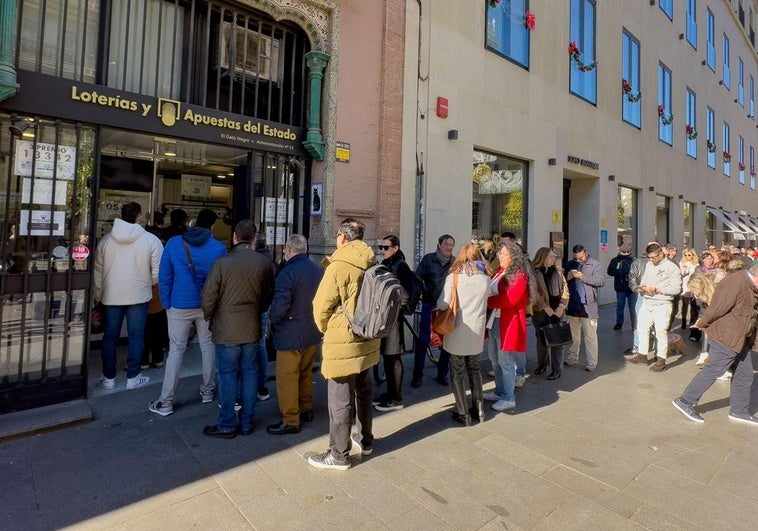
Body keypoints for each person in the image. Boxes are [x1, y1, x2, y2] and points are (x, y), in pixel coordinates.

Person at [309, 218, 380, 470]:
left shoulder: (338, 265)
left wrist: (326, 329)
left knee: (339, 398)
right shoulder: (372, 260)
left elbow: (320, 307)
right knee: (363, 390)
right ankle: (366, 440)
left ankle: (338, 454)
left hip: (343, 340)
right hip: (368, 338)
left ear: (343, 237)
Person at [200, 220, 274, 438]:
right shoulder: (263, 263)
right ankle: (247, 422)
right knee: (250, 374)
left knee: (227, 375)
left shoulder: (222, 262)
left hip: (226, 328)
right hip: (251, 325)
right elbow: (268, 294)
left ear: (234, 237)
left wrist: (210, 316)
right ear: (253, 239)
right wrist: (257, 310)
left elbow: (208, 296)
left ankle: (227, 423)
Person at [149, 209, 227, 416]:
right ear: (212, 226)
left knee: (176, 350)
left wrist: (166, 303)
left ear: (193, 223)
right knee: (208, 347)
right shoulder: (218, 248)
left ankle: (166, 401)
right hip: (207, 306)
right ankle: (208, 391)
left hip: (179, 304)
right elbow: (221, 282)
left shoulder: (175, 243)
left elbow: (164, 276)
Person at [672, 261, 758, 425]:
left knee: (745, 374)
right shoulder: (735, 282)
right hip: (726, 336)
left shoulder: (749, 284)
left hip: (741, 339)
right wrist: (703, 322)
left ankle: (739, 411)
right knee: (714, 369)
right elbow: (717, 307)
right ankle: (685, 400)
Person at [94, 202, 163, 391]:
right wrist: (145, 283)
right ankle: (133, 377)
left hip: (111, 296)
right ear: (139, 217)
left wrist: (98, 295)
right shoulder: (150, 240)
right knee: (136, 336)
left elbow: (98, 273)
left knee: (110, 337)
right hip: (139, 296)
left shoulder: (106, 241)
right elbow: (159, 272)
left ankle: (108, 378)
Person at [266, 234, 323, 435]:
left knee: (287, 377)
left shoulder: (287, 272)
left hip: (290, 333)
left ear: (288, 250)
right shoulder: (317, 269)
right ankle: (306, 408)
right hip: (312, 330)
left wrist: (272, 318)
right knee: (305, 372)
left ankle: (290, 419)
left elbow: (280, 307)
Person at [438, 244, 490, 426]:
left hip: (458, 329)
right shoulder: (485, 278)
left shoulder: (454, 277)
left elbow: (443, 303)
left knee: (457, 370)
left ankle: (463, 413)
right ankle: (480, 409)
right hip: (477, 329)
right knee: (475, 369)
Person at [485, 240, 534, 413]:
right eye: (500, 253)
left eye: (503, 254)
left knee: (505, 361)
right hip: (495, 321)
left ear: (512, 256)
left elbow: (510, 299)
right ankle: (499, 391)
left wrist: (487, 301)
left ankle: (508, 397)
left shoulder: (519, 274)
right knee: (494, 359)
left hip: (508, 322)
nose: (500, 256)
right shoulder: (501, 271)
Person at [373, 235, 416, 412]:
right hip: (384, 318)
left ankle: (397, 398)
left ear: (396, 248)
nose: (382, 250)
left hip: (392, 319)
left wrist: (397, 309)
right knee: (388, 357)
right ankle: (390, 393)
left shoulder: (401, 265)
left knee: (394, 357)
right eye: (381, 247)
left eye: (386, 247)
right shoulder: (388, 264)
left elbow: (408, 292)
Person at [628, 243, 682, 372]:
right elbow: (645, 280)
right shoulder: (649, 264)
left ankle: (661, 359)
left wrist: (657, 289)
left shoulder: (672, 267)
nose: (651, 260)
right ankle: (642, 355)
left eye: (653, 257)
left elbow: (676, 289)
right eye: (649, 257)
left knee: (660, 332)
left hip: (662, 303)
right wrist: (642, 287)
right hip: (647, 301)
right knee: (641, 328)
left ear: (661, 254)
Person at [412, 234, 455, 388]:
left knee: (446, 343)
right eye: (446, 245)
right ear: (439, 245)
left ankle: (442, 373)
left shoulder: (455, 263)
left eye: (451, 245)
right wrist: (421, 293)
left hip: (446, 308)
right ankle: (417, 375)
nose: (449, 248)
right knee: (423, 341)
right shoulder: (428, 259)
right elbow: (417, 278)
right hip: (429, 305)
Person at [563, 244, 605, 371]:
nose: (578, 260)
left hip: (588, 305)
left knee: (590, 336)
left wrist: (583, 277)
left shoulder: (595, 264)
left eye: (580, 258)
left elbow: (601, 281)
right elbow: (563, 282)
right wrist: (568, 277)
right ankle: (572, 357)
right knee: (573, 335)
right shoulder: (569, 264)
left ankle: (591, 362)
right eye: (576, 258)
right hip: (573, 304)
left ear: (585, 253)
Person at [530, 247, 569, 380]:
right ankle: (542, 364)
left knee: (557, 340)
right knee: (541, 340)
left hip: (557, 310)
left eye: (554, 256)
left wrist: (562, 306)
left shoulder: (558, 271)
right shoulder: (535, 272)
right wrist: (545, 307)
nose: (554, 258)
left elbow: (565, 290)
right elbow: (533, 292)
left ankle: (557, 369)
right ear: (544, 257)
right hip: (541, 312)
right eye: (551, 256)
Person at [254, 232, 278, 402]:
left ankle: (249, 387)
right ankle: (262, 386)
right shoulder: (271, 261)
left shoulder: (252, 261)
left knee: (249, 347)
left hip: (250, 308)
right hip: (265, 307)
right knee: (261, 344)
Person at [607, 244, 635, 330]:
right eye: (624, 252)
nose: (626, 253)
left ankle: (634, 324)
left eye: (628, 252)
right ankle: (619, 323)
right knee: (620, 306)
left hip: (631, 287)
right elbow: (610, 271)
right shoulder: (615, 260)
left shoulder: (633, 260)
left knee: (632, 307)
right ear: (620, 251)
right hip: (620, 286)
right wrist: (620, 272)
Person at [679, 248, 700, 336]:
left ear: (693, 255)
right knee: (685, 303)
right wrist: (684, 271)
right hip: (685, 285)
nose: (687, 257)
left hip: (693, 286)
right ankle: (684, 320)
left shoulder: (696, 264)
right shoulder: (681, 263)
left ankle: (692, 320)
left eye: (689, 255)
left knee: (693, 305)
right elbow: (679, 274)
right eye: (685, 255)